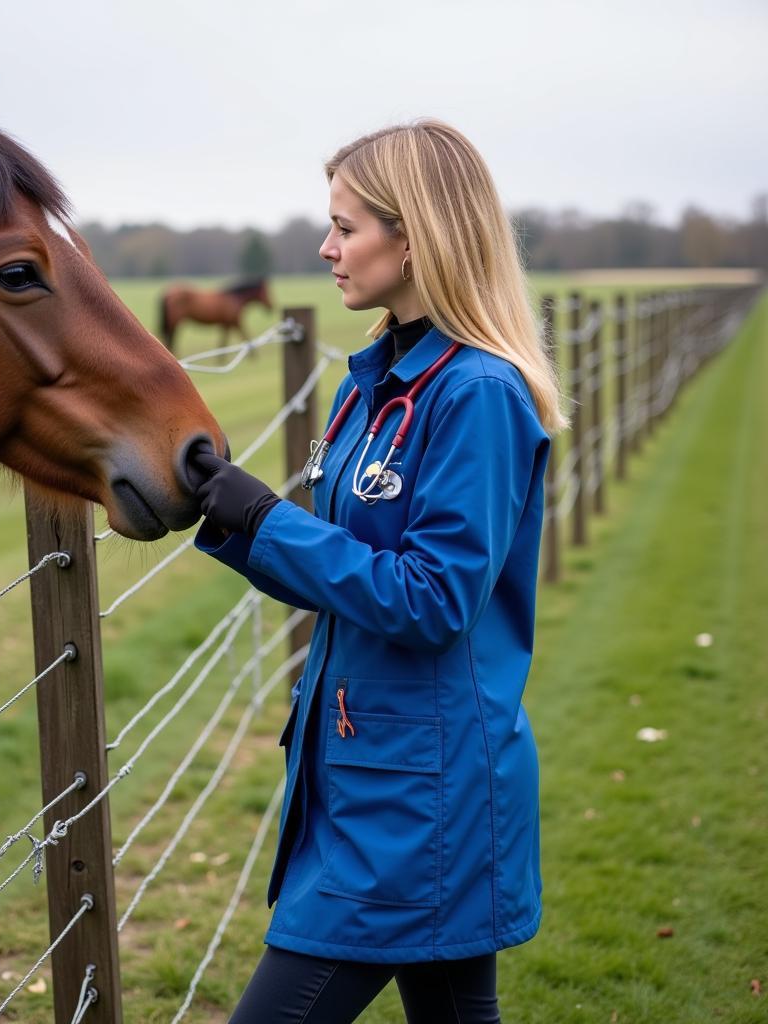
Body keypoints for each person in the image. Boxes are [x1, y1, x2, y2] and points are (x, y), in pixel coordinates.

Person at [188, 120, 566, 1024]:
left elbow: (433, 598)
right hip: (377, 777)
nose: (325, 248)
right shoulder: (376, 382)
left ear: (417, 234)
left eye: (346, 227)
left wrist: (268, 521)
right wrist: (233, 519)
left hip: (417, 802)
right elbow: (351, 562)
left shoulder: (474, 395)